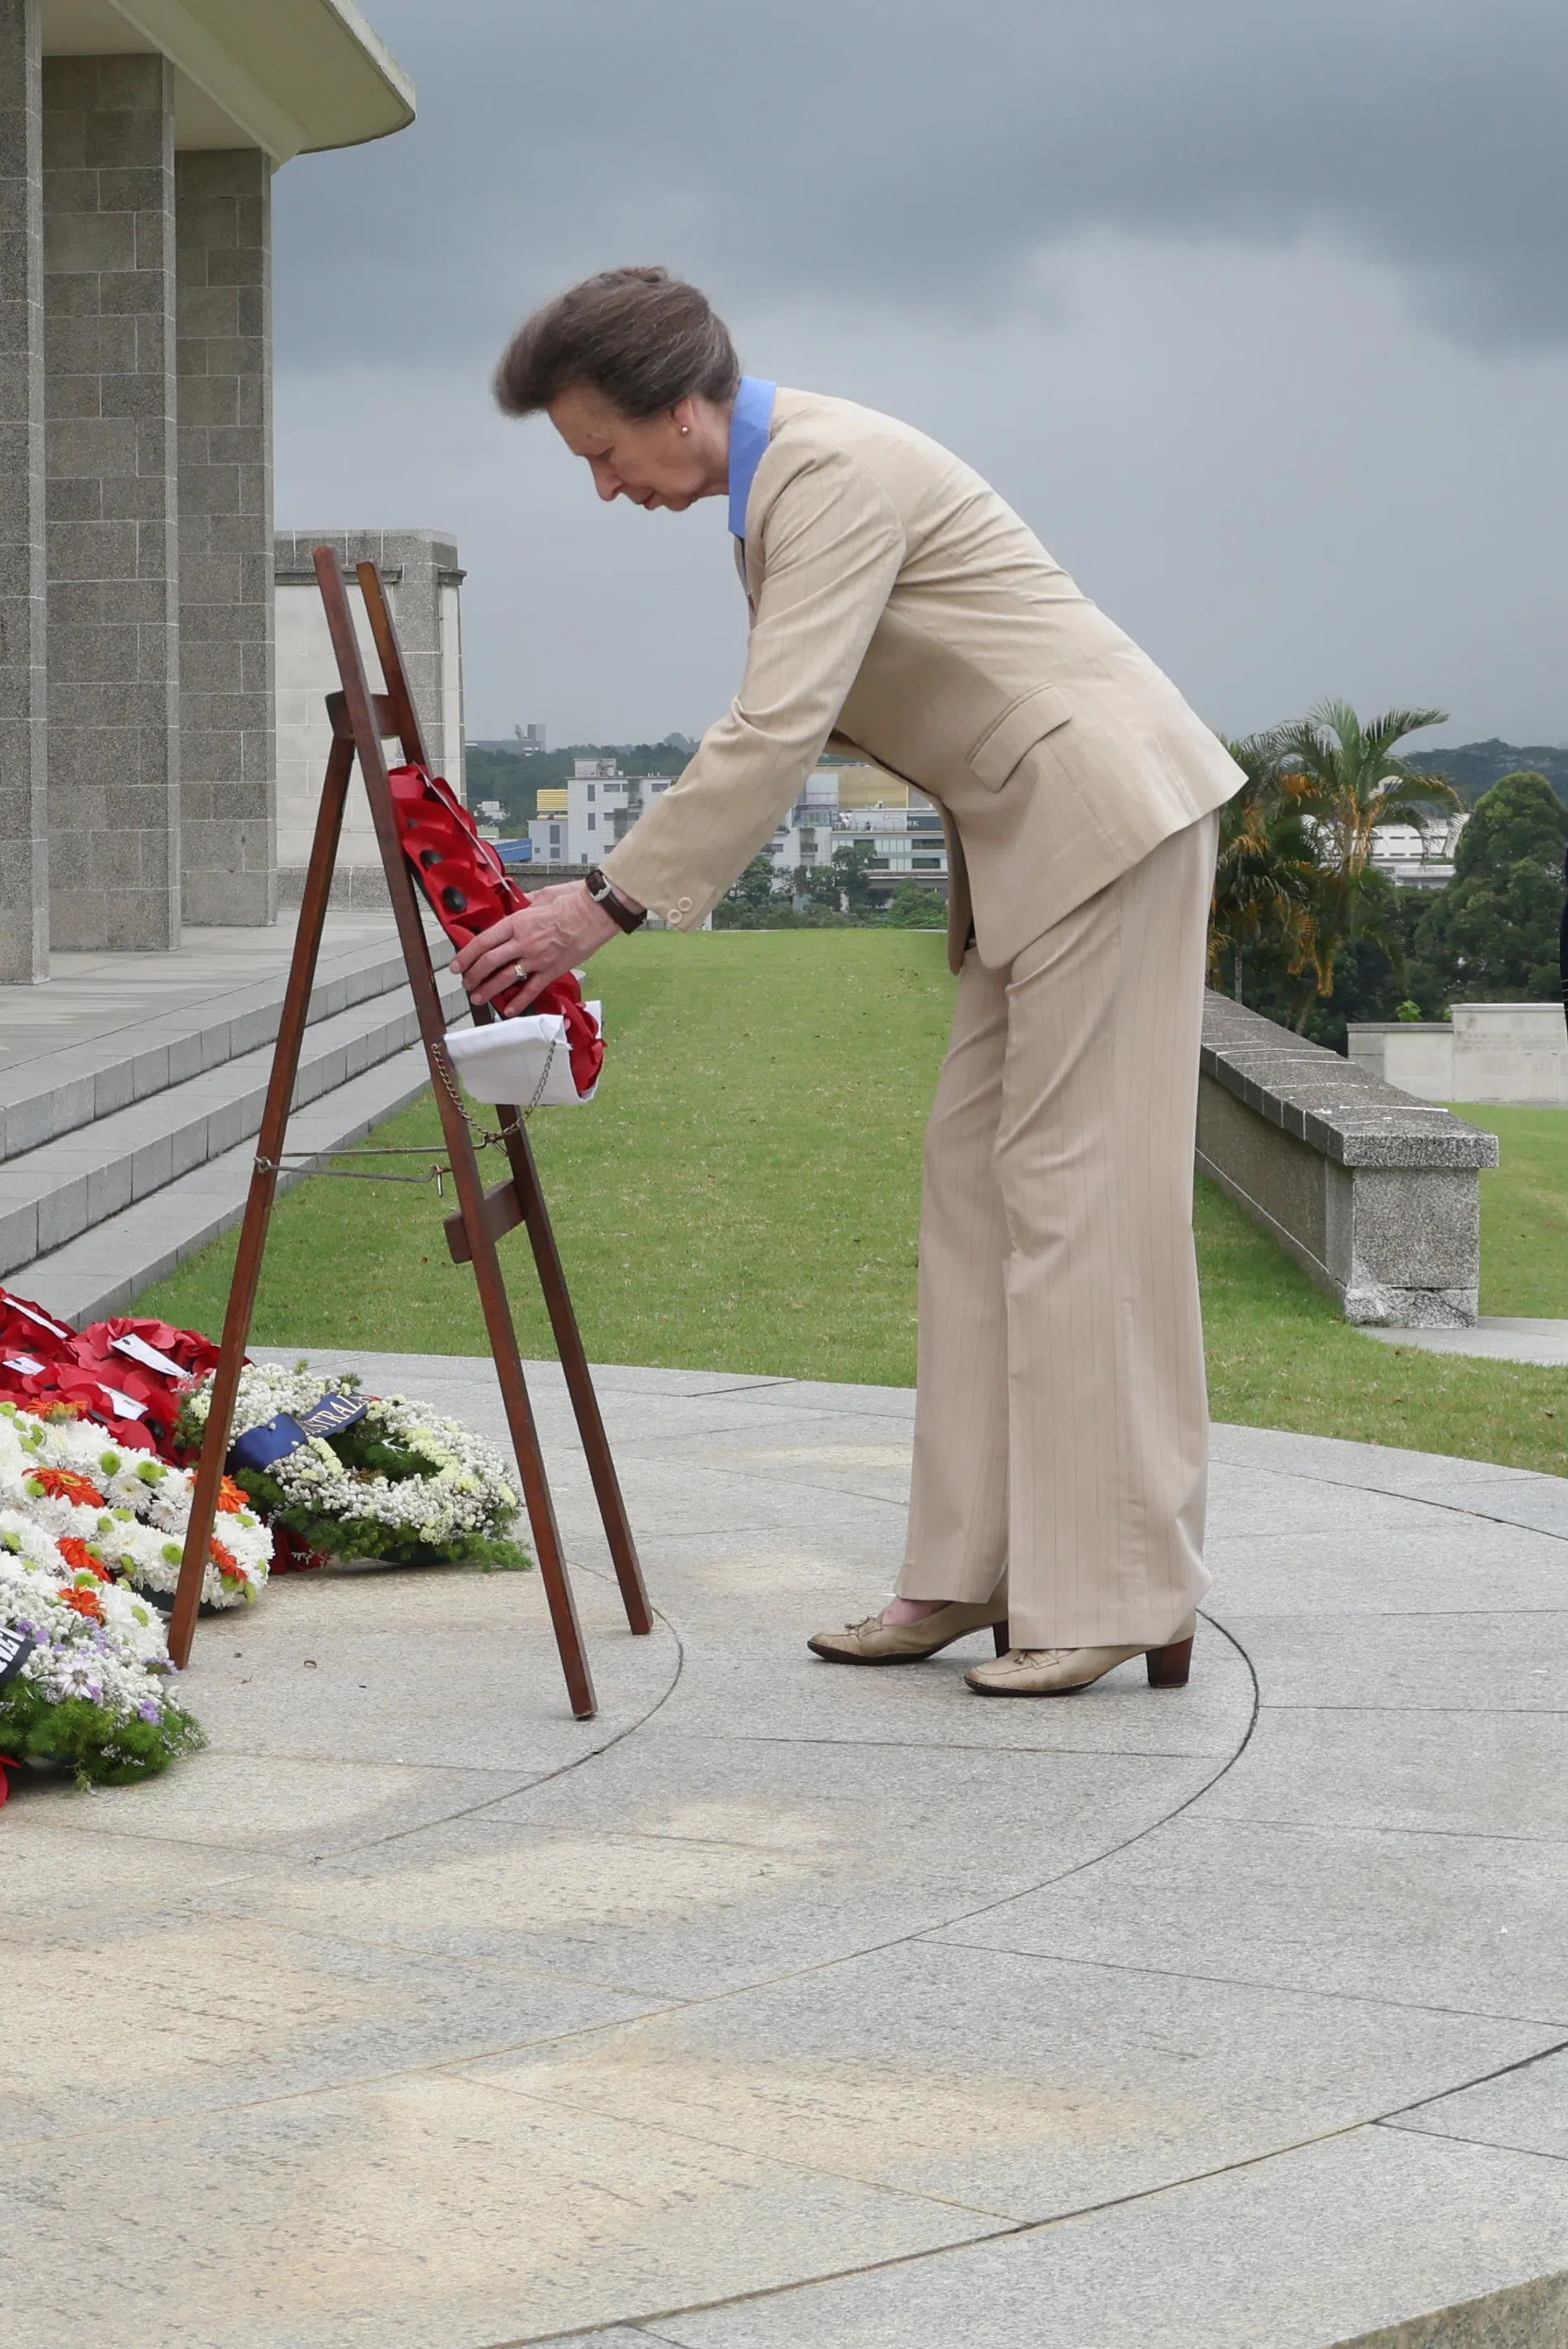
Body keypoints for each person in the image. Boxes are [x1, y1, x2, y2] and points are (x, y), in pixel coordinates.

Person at [464, 266, 1245, 1696]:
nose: (602, 486)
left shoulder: (823, 473)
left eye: (602, 450)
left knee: (1077, 1192)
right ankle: (972, 1565)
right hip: (1038, 839)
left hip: (1102, 820)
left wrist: (605, 898)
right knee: (974, 1178)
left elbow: (777, 721)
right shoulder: (783, 483)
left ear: (682, 407)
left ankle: (1118, 1585)